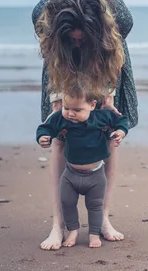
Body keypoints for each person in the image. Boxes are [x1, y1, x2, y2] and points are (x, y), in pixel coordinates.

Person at [32, 0, 138, 250]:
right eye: (73, 38)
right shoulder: (44, 18)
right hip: (60, 60)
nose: (78, 43)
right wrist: (57, 101)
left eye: (82, 39)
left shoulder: (119, 18)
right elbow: (51, 57)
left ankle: (101, 219)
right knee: (60, 135)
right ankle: (58, 225)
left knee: (108, 134)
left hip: (103, 58)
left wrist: (108, 95)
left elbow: (113, 54)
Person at [36, 87, 129, 248]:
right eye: (67, 108)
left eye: (77, 110)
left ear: (92, 106)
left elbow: (121, 120)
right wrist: (43, 137)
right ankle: (72, 230)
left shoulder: (101, 117)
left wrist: (121, 131)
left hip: (96, 176)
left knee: (95, 205)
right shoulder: (62, 119)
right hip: (70, 175)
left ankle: (94, 233)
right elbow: (46, 126)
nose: (71, 113)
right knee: (67, 202)